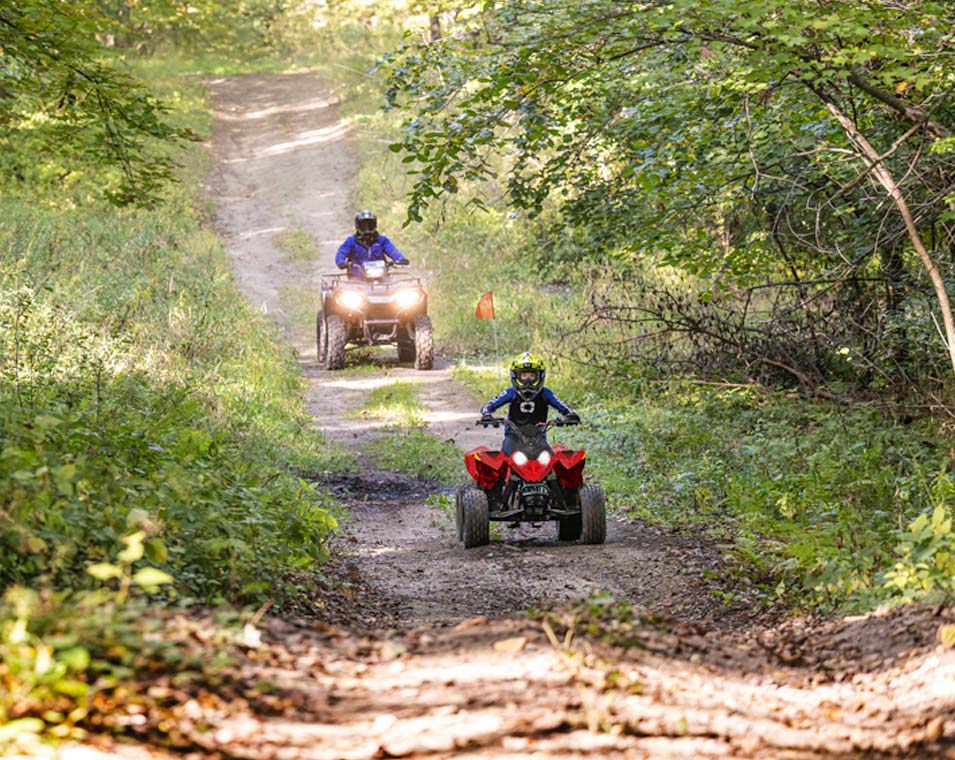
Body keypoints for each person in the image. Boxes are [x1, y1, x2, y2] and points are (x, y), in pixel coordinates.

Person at [481, 352, 580, 455]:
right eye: (524, 375)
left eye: (532, 376)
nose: (528, 380)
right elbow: (488, 406)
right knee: (505, 458)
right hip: (513, 436)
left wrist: (570, 415)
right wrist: (487, 415)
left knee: (551, 460)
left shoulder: (545, 393)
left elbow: (563, 407)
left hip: (538, 438)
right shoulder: (511, 392)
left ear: (539, 376)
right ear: (516, 376)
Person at [335, 210, 409, 278]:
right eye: (363, 226)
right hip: (357, 279)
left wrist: (400, 259)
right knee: (345, 288)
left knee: (400, 287)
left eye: (370, 225)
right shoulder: (351, 241)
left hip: (382, 277)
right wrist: (341, 262)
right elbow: (341, 253)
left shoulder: (382, 241)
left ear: (374, 225)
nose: (367, 229)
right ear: (358, 226)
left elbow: (392, 251)